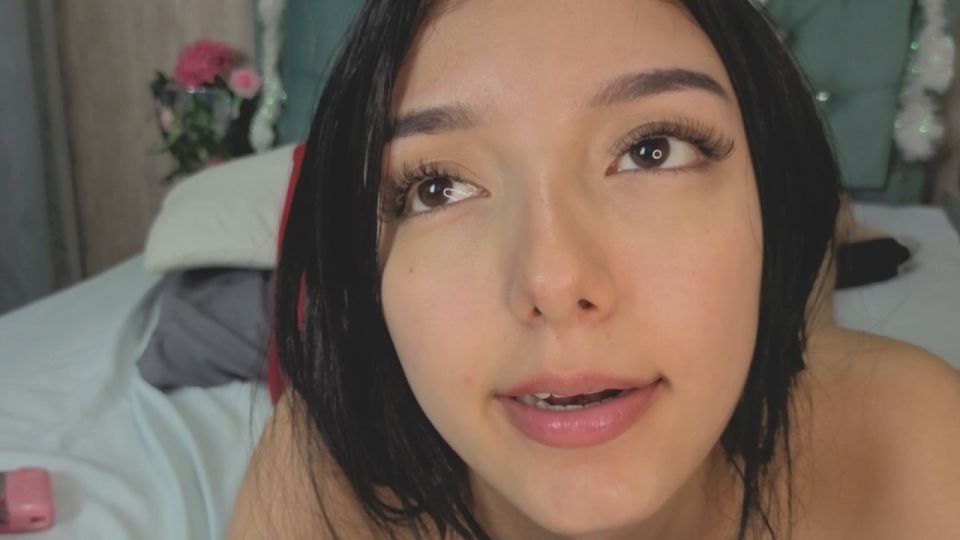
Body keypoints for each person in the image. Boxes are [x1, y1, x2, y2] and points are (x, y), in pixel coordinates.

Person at [228, 1, 960, 538]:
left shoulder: (917, 447)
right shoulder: (320, 478)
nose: (554, 281)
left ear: (770, 195)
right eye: (437, 188)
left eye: (653, 150)